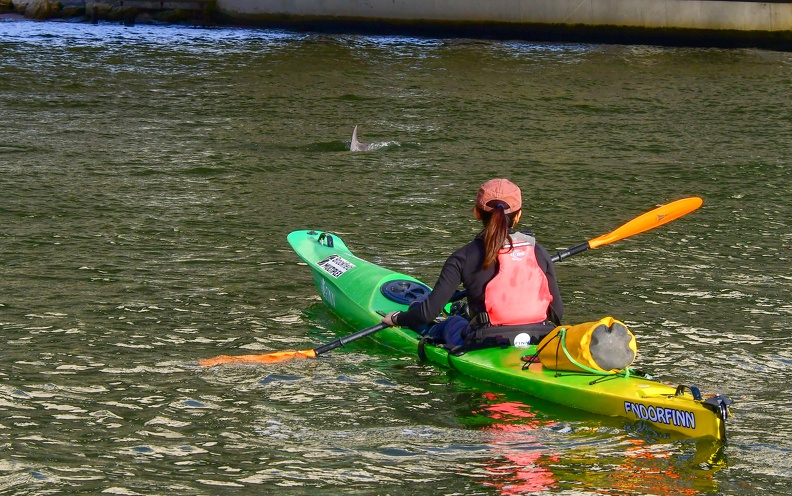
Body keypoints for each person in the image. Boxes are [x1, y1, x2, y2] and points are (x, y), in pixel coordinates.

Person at [382, 178, 563, 349]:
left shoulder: (462, 257)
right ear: (518, 216)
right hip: (539, 337)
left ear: (477, 213)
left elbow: (426, 313)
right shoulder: (538, 251)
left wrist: (397, 318)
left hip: (486, 341)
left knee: (451, 322)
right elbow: (557, 312)